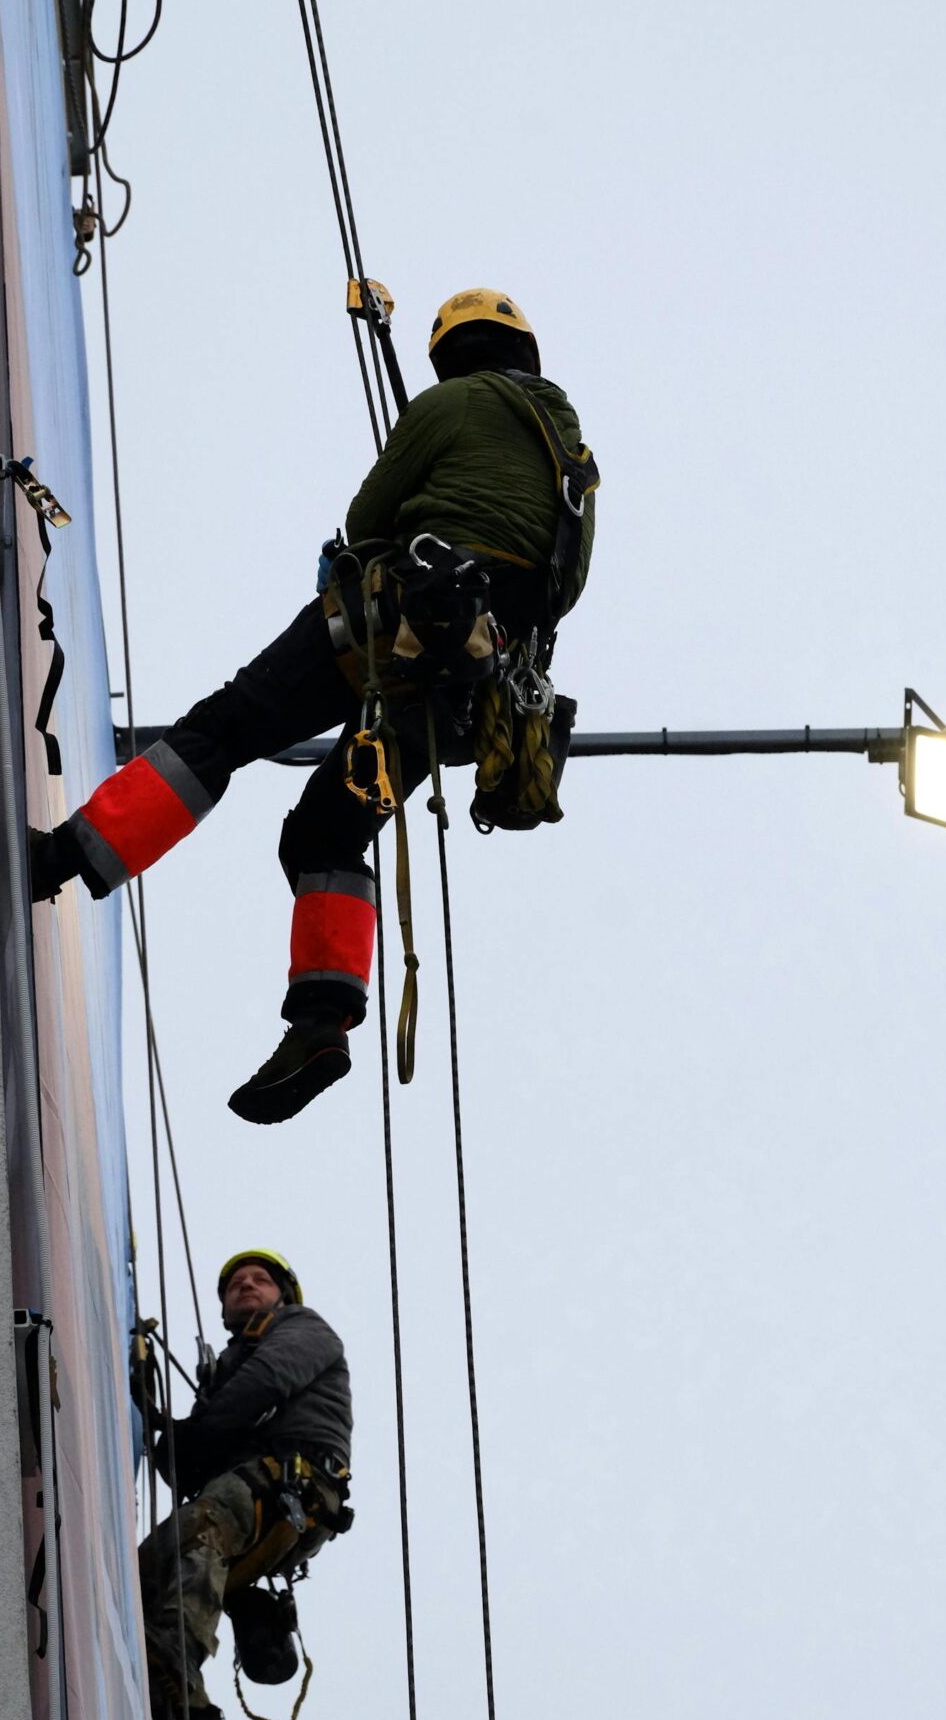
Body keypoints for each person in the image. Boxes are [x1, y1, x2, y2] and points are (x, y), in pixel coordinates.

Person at [29, 288, 598, 1123]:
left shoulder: (452, 403)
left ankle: (69, 858)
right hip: (466, 695)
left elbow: (368, 516)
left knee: (225, 730)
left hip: (382, 629)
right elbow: (563, 590)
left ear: (449, 356)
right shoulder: (577, 468)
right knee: (326, 832)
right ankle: (321, 1021)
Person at [137, 1248, 352, 1720]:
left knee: (197, 1529)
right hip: (260, 1492)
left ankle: (174, 1658)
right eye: (236, 1282)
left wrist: (185, 1430)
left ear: (285, 1294)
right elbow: (191, 1470)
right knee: (146, 1569)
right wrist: (154, 1420)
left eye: (260, 1279)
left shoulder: (304, 1328)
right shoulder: (229, 1372)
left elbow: (267, 1384)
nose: (246, 1285)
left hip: (293, 1484)